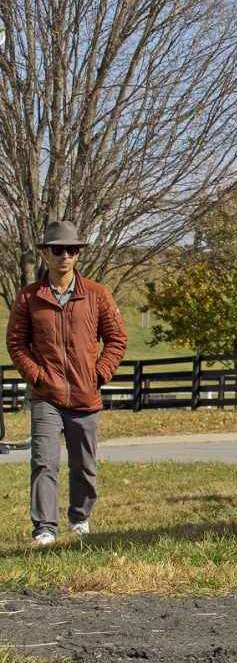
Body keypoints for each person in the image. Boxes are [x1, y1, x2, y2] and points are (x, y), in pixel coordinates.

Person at [6, 221, 128, 546]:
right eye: (57, 249)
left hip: (86, 395)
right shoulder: (29, 297)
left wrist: (99, 374)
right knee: (44, 461)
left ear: (78, 254)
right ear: (46, 253)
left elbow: (116, 339)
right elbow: (16, 343)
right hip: (46, 395)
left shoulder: (98, 294)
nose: (65, 256)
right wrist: (38, 376)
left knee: (84, 465)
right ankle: (45, 527)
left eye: (71, 250)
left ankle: (80, 517)